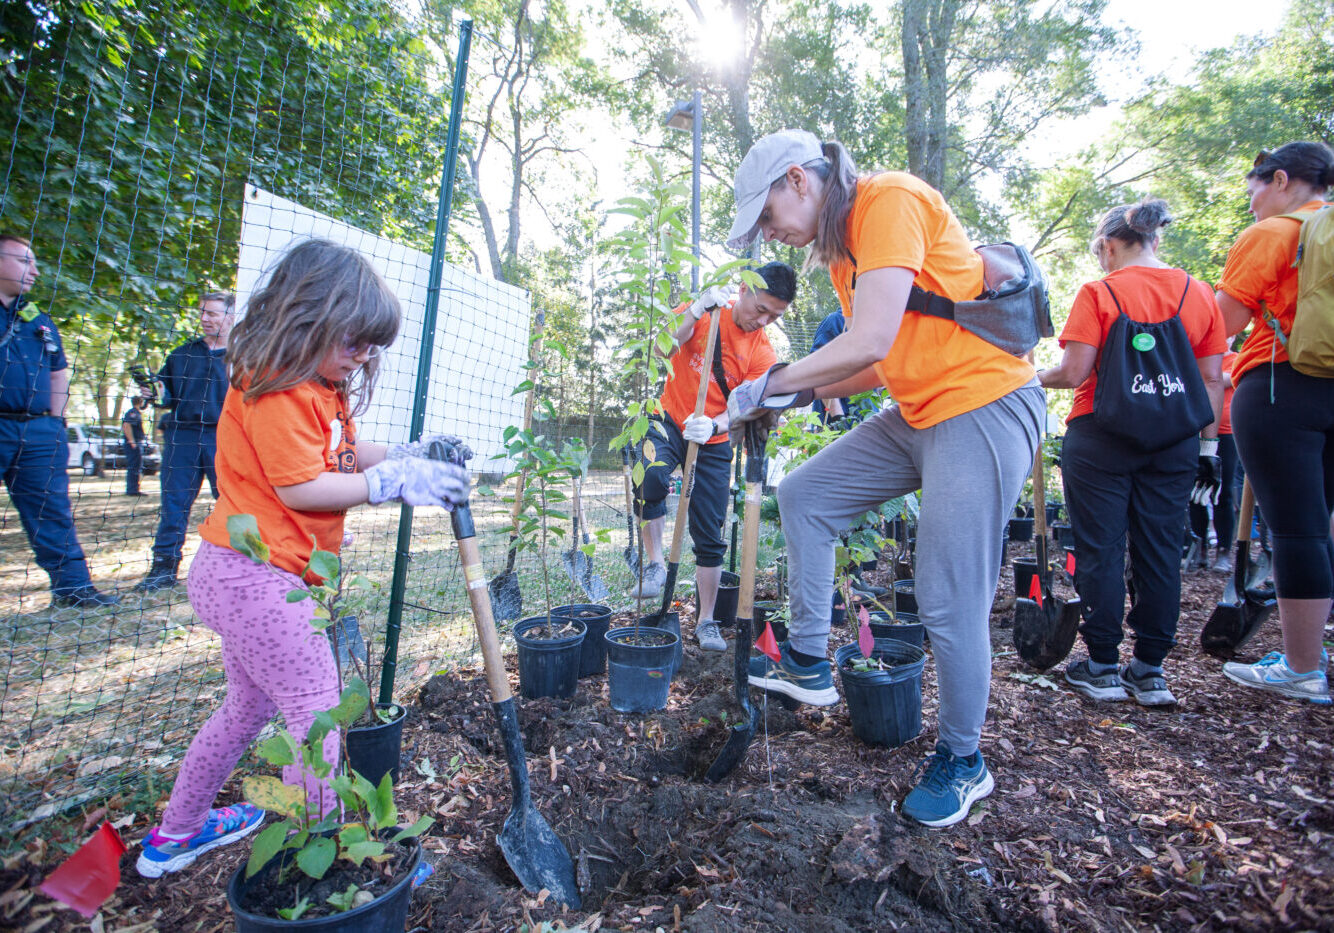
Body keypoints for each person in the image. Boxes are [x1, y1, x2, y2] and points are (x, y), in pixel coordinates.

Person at [725, 131, 1045, 827]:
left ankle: (964, 760)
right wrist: (797, 395)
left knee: (946, 592)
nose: (770, 234)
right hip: (921, 406)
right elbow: (885, 357)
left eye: (768, 215)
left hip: (985, 403)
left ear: (798, 181)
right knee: (804, 496)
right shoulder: (844, 250)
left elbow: (868, 339)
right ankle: (808, 658)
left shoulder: (887, 201)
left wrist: (770, 380)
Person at [136, 239, 471, 878]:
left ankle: (176, 836)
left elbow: (340, 453)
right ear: (308, 317)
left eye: (373, 346)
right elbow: (302, 487)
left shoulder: (315, 384)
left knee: (247, 710)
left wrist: (404, 453)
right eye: (356, 342)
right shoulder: (279, 391)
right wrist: (392, 485)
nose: (365, 356)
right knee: (318, 716)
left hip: (242, 575)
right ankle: (332, 863)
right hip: (258, 578)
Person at [1038, 199, 1225, 706]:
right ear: (1155, 241)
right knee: (1161, 548)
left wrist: (1033, 378)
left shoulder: (1099, 292)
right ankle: (1150, 670)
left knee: (1101, 547)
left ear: (1110, 245)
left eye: (1101, 252)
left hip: (1101, 435)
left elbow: (1074, 372)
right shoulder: (1199, 293)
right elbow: (1212, 379)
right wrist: (1207, 445)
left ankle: (1100, 666)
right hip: (1174, 441)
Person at [1214, 142, 1334, 705]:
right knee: (1323, 523)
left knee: (1295, 529)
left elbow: (1220, 327)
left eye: (1254, 190)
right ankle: (1312, 650)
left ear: (1281, 179)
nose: (1252, 204)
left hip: (1282, 385)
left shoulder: (1273, 234)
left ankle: (1302, 668)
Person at [630, 262, 796, 652]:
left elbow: (748, 404)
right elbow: (660, 348)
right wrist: (694, 309)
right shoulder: (707, 312)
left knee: (709, 531)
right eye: (762, 309)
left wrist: (716, 425)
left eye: (775, 315)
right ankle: (654, 563)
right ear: (745, 288)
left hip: (714, 440)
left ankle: (706, 622)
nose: (765, 320)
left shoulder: (762, 351)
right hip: (669, 417)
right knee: (649, 477)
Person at [0, 234, 119, 608]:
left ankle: (73, 588)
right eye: (25, 261)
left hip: (38, 431)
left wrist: (55, 422)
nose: (35, 270)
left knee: (52, 509)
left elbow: (57, 373)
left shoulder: (36, 318)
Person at [135, 292, 234, 591]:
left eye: (212, 313)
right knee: (174, 505)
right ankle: (163, 569)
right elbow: (167, 397)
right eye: (202, 313)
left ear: (230, 317)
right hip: (182, 437)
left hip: (225, 438)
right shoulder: (181, 354)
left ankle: (236, 567)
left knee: (232, 504)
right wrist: (152, 393)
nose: (204, 319)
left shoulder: (246, 356)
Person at [1186, 344, 1240, 573]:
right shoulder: (1195, 359)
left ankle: (1224, 552)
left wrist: (1206, 376)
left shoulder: (1238, 359)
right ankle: (1200, 548)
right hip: (1194, 432)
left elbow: (1222, 379)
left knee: (1223, 493)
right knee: (1196, 493)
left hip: (1226, 434)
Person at [121, 395, 149, 496]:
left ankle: (134, 488)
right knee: (134, 466)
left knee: (137, 465)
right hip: (134, 443)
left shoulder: (136, 413)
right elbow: (126, 425)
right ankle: (132, 490)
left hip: (138, 442)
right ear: (140, 402)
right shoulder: (133, 413)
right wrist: (132, 441)